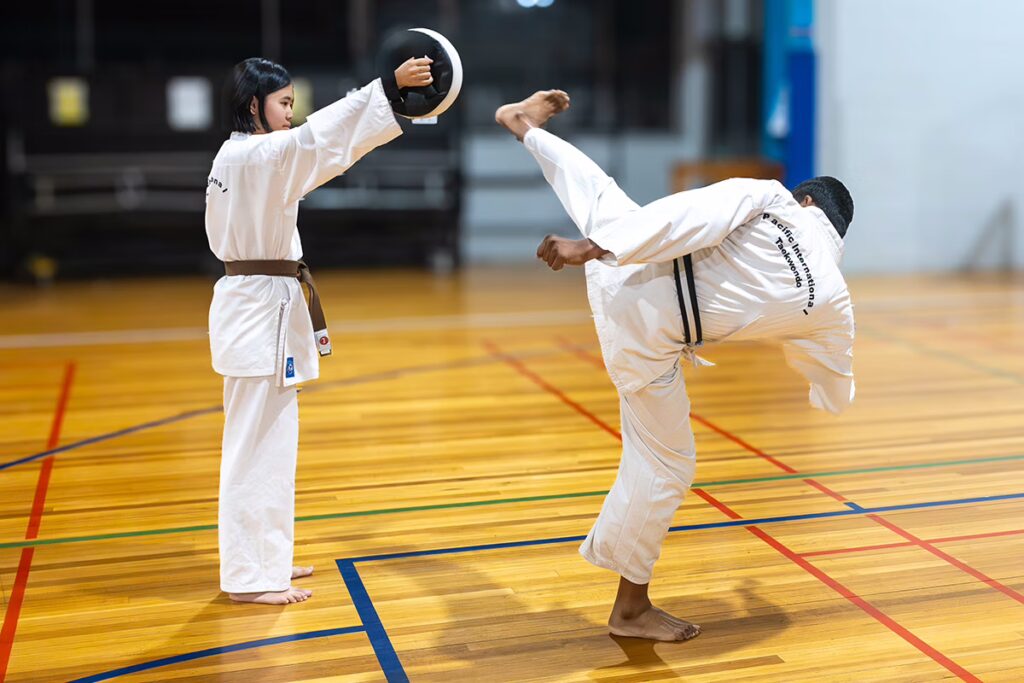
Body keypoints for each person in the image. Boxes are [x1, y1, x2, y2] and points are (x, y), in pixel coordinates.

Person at [495, 91, 856, 641]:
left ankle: (525, 128)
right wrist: (823, 393)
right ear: (836, 232)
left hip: (635, 276)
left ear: (806, 202)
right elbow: (834, 385)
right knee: (665, 466)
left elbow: (692, 215)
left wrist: (594, 247)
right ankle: (631, 611)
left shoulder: (772, 199)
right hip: (648, 335)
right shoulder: (834, 303)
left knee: (602, 195)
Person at [205, 55, 433, 605]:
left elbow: (319, 142)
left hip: (261, 308)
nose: (291, 112)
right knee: (253, 449)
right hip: (259, 312)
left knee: (273, 447)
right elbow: (323, 138)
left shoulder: (239, 155)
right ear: (253, 105)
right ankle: (248, 577)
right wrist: (388, 89)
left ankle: (267, 559)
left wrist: (383, 100)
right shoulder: (260, 155)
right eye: (282, 103)